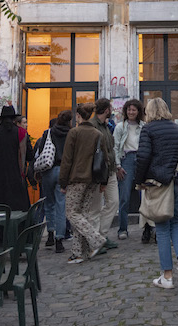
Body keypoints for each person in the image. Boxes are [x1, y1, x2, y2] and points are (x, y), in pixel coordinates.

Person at [135, 98, 178, 289]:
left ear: (149, 111)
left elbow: (143, 156)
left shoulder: (148, 130)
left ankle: (167, 276)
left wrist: (138, 181)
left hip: (160, 184)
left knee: (161, 227)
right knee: (175, 223)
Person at [59, 102, 108, 264]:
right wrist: (103, 180)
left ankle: (96, 238)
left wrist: (63, 182)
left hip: (77, 178)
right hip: (92, 179)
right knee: (82, 214)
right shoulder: (97, 134)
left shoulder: (74, 132)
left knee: (72, 213)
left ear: (78, 116)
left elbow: (67, 160)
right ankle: (79, 253)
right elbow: (104, 159)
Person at [0, 105, 32, 211]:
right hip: (17, 178)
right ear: (14, 119)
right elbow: (30, 156)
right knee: (18, 211)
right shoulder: (21, 134)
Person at [113, 99, 151, 242]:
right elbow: (115, 147)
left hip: (141, 159)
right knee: (124, 197)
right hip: (126, 160)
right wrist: (118, 166)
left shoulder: (144, 127)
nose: (131, 112)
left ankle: (147, 228)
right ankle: (123, 229)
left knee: (146, 196)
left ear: (139, 111)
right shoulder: (120, 127)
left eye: (134, 110)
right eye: (129, 110)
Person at [35, 110, 73, 253]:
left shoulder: (48, 132)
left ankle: (50, 233)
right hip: (63, 170)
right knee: (61, 205)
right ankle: (59, 239)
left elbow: (41, 151)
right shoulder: (71, 133)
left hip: (48, 170)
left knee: (49, 203)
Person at [91, 98, 120, 249]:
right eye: (111, 107)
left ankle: (101, 235)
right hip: (98, 172)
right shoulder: (93, 125)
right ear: (107, 109)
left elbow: (111, 148)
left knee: (113, 202)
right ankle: (97, 239)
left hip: (110, 170)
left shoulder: (106, 126)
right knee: (95, 207)